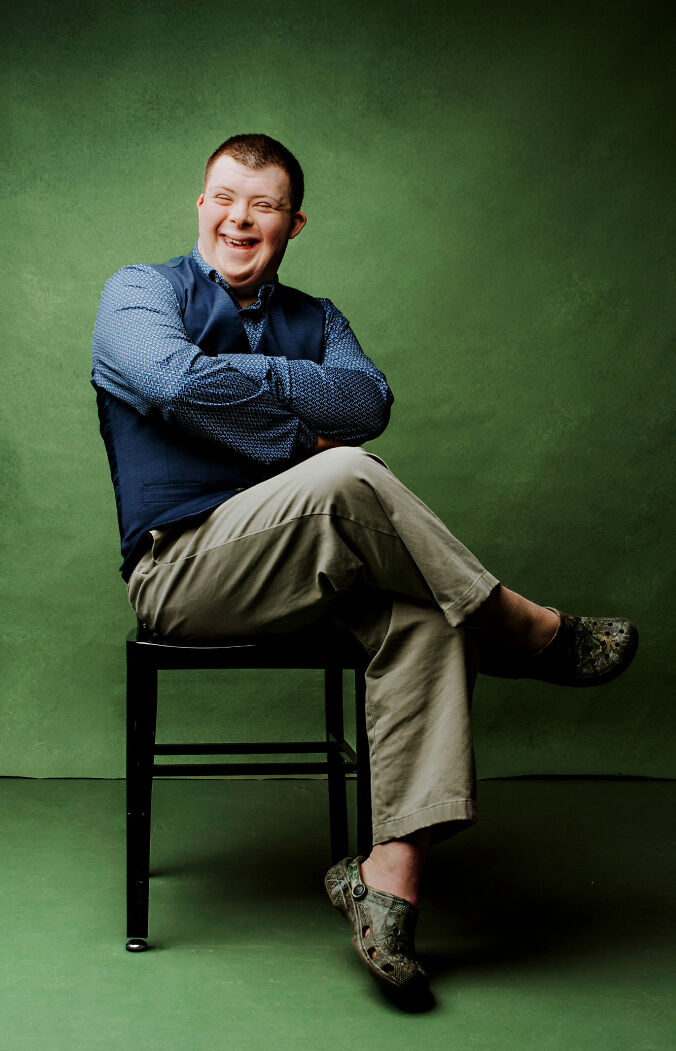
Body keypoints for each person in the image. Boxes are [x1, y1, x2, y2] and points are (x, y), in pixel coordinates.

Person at [91, 133, 638, 994]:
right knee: (346, 471)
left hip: (305, 568)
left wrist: (247, 375)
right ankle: (523, 628)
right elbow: (171, 384)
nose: (240, 218)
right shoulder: (139, 292)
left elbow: (368, 400)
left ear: (292, 222)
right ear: (200, 203)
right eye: (225, 197)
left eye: (264, 205)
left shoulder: (322, 316)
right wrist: (298, 435)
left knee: (425, 611)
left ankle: (386, 882)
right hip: (183, 570)